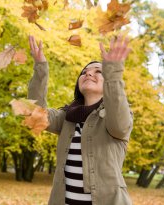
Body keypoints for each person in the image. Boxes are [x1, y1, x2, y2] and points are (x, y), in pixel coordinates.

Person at [28, 35, 133, 205]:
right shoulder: (66, 118)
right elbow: (35, 115)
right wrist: (40, 67)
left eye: (99, 71)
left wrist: (113, 73)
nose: (88, 73)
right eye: (84, 72)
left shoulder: (118, 115)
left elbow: (120, 125)